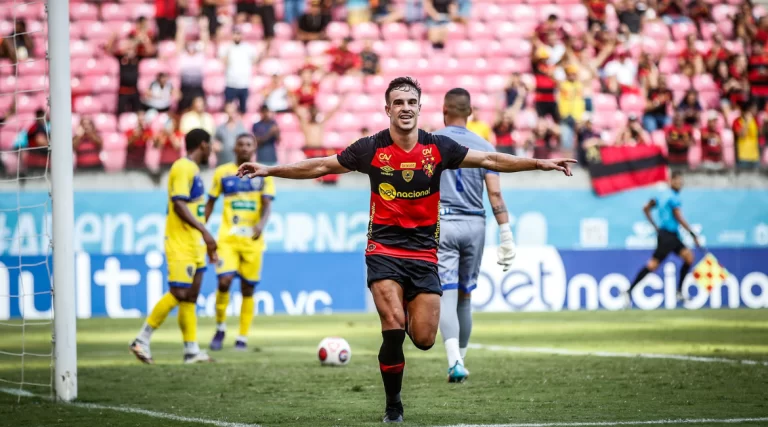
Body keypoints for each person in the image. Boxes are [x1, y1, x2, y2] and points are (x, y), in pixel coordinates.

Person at [235, 77, 575, 423]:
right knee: (393, 324)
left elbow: (490, 159)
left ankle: (407, 330)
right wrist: (269, 169)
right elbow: (322, 165)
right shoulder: (371, 148)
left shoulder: (438, 148)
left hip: (425, 253)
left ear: (420, 108)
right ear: (388, 110)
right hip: (383, 249)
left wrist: (539, 162)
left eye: (411, 102)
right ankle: (393, 405)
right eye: (398, 103)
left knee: (425, 339)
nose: (406, 108)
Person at [433, 89, 516, 383]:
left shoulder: (432, 142)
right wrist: (506, 234)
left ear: (445, 110)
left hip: (443, 222)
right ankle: (461, 361)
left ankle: (454, 361)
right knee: (465, 299)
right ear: (470, 113)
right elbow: (494, 194)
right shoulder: (484, 145)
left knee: (447, 295)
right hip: (475, 225)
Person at [130, 129, 217, 364]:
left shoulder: (194, 170)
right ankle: (141, 339)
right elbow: (178, 203)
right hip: (179, 241)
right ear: (202, 145)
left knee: (190, 296)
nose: (212, 150)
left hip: (194, 243)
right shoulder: (182, 167)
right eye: (210, 145)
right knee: (179, 292)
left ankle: (191, 350)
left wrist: (206, 240)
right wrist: (205, 232)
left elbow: (195, 209)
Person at [206, 134, 275, 351]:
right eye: (241, 144)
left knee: (247, 289)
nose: (244, 148)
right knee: (224, 281)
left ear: (254, 148)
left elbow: (267, 205)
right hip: (227, 238)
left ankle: (242, 337)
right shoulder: (222, 172)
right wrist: (201, 230)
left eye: (249, 144)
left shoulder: (264, 173)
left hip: (252, 241)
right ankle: (220, 327)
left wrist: (261, 225)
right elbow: (210, 202)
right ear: (234, 147)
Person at [623, 171, 701, 307]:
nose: (679, 184)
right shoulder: (674, 198)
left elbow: (646, 208)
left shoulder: (661, 195)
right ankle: (630, 290)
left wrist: (655, 226)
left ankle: (678, 291)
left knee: (687, 258)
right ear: (670, 181)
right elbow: (678, 217)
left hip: (667, 235)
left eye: (681, 182)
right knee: (654, 264)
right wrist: (693, 234)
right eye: (677, 181)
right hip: (668, 236)